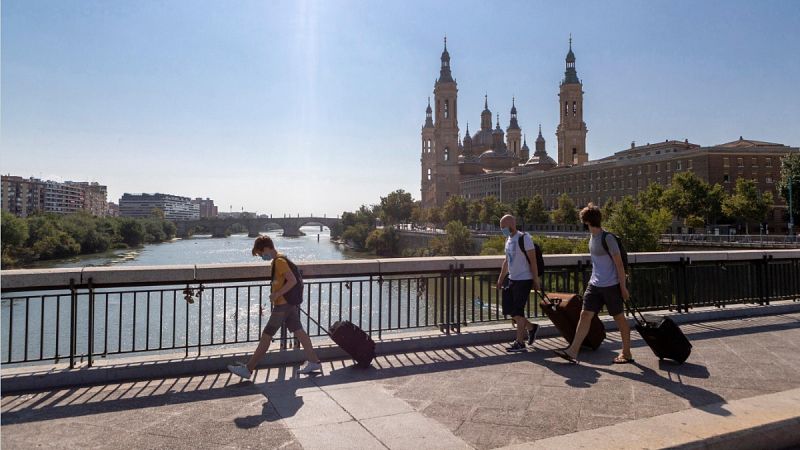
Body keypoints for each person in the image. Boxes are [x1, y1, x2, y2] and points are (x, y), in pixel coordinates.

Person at [227, 235, 322, 379]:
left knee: (267, 335)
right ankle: (314, 361)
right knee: (300, 332)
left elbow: (292, 280)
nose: (261, 257)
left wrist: (277, 294)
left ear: (266, 248)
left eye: (260, 254)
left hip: (282, 305)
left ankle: (248, 369)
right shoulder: (281, 259)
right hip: (288, 304)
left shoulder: (279, 262)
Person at [554, 204, 633, 364]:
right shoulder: (592, 237)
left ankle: (626, 353)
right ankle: (573, 351)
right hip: (595, 285)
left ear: (587, 221)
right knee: (585, 315)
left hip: (611, 285)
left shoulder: (607, 238)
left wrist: (623, 287)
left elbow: (619, 264)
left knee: (619, 318)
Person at [496, 214, 540, 353]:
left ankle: (520, 342)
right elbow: (507, 261)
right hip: (512, 279)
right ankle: (531, 327)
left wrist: (535, 280)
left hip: (524, 280)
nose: (502, 230)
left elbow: (533, 261)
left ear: (511, 224)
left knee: (518, 312)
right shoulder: (508, 240)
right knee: (510, 311)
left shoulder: (524, 238)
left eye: (503, 227)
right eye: (501, 227)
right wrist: (501, 278)